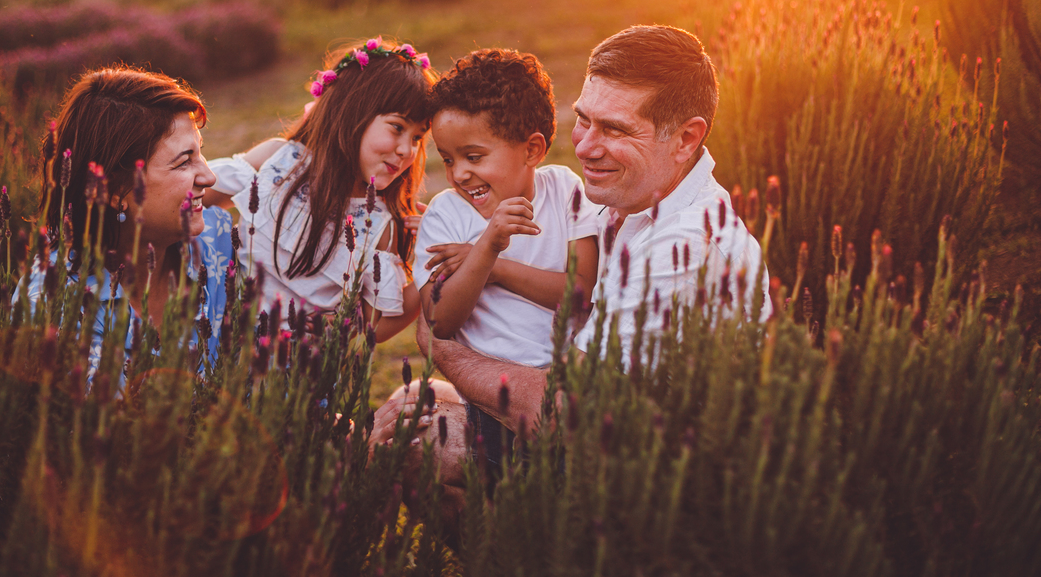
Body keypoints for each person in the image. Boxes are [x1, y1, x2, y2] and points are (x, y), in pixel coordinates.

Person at [372, 25, 770, 491]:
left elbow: (569, 414)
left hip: (650, 483)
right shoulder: (625, 194)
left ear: (684, 139)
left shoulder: (684, 250)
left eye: (615, 129)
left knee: (416, 437)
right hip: (587, 432)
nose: (583, 146)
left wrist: (444, 348)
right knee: (409, 400)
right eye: (585, 119)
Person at [206, 38, 434, 341]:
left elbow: (375, 324)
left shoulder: (378, 226)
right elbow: (193, 194)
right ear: (352, 112)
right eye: (397, 127)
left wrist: (434, 263)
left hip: (293, 371)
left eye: (418, 138)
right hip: (219, 344)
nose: (407, 149)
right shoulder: (280, 162)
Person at [25, 67, 233, 385]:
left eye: (200, 151)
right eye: (184, 161)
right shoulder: (59, 312)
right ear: (113, 190)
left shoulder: (216, 241)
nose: (209, 176)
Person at [416, 49, 599, 367]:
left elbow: (582, 294)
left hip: (571, 375)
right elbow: (439, 322)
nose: (458, 174)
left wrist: (495, 268)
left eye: (473, 157)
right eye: (448, 159)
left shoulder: (562, 189)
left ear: (531, 150)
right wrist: (488, 247)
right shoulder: (444, 215)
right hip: (491, 388)